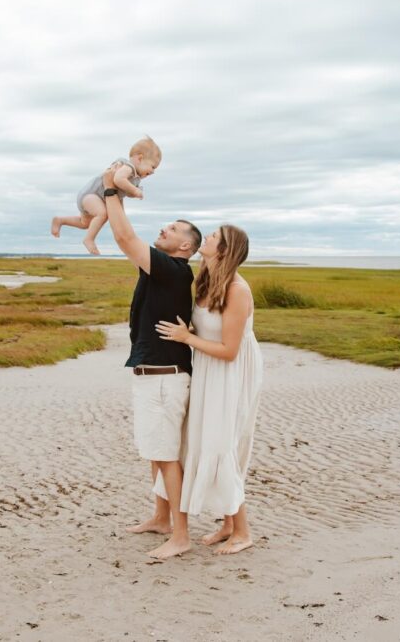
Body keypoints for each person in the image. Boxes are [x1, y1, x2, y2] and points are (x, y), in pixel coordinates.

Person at [101, 172, 202, 559]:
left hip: (165, 379)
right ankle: (161, 517)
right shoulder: (162, 270)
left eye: (173, 228)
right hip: (152, 376)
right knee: (155, 452)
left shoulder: (174, 270)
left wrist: (112, 189)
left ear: (185, 245)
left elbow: (126, 239)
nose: (165, 229)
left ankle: (181, 534)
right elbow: (127, 236)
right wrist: (118, 198)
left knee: (166, 455)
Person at [155, 225, 263, 555]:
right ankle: (228, 525)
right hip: (207, 368)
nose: (209, 238)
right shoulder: (205, 280)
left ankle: (243, 532)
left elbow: (230, 349)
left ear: (225, 250)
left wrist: (187, 338)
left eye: (215, 236)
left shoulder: (236, 289)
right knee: (202, 439)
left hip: (230, 372)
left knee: (219, 443)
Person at [50, 136, 161, 255]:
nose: (153, 171)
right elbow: (119, 179)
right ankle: (89, 239)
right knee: (102, 214)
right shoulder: (128, 167)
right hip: (92, 194)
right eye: (153, 166)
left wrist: (133, 192)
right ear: (140, 158)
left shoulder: (135, 177)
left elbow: (126, 191)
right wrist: (135, 191)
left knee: (85, 223)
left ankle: (60, 220)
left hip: (95, 199)